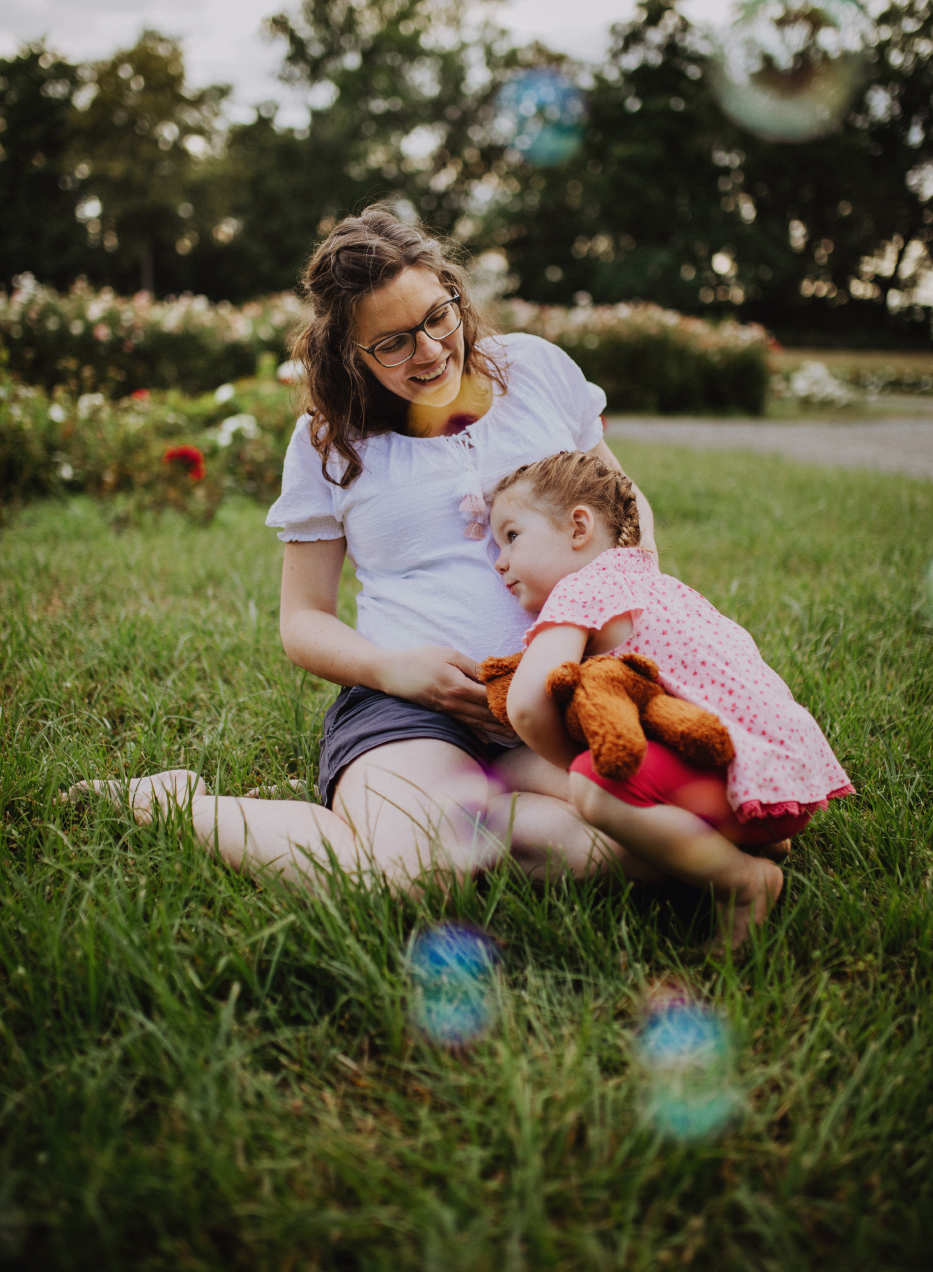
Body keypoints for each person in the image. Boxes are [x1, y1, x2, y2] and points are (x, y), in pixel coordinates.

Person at [69, 206, 659, 892]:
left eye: (438, 317)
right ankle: (173, 802)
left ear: (454, 292)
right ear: (351, 353)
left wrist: (617, 627)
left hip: (569, 694)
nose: (431, 350)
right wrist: (394, 669)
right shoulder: (330, 444)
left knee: (662, 851)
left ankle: (421, 810)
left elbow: (626, 508)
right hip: (413, 710)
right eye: (393, 344)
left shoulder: (532, 370)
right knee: (413, 880)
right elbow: (304, 621)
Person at [488, 450, 854, 943]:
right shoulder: (661, 587)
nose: (499, 562)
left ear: (579, 528)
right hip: (789, 788)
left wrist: (572, 766)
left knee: (594, 785)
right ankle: (764, 846)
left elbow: (527, 706)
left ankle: (742, 881)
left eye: (512, 536)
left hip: (731, 789)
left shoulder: (581, 589)